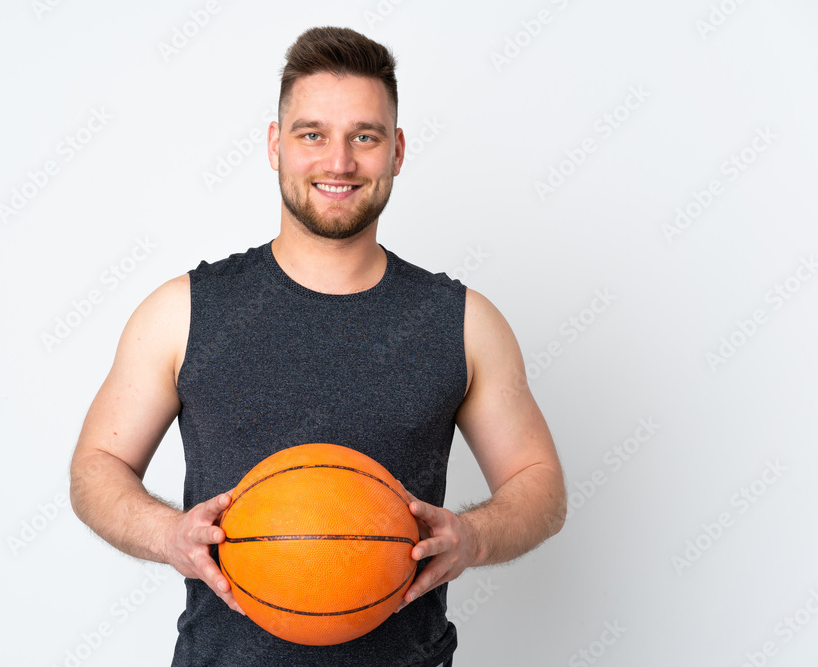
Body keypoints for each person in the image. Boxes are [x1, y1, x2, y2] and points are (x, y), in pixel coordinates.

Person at [70, 26, 566, 667]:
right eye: (312, 135)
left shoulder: (464, 322)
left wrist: (471, 536)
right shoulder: (183, 311)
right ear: (276, 146)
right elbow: (95, 468)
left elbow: (541, 484)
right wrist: (168, 534)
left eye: (366, 136)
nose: (339, 162)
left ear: (398, 150)